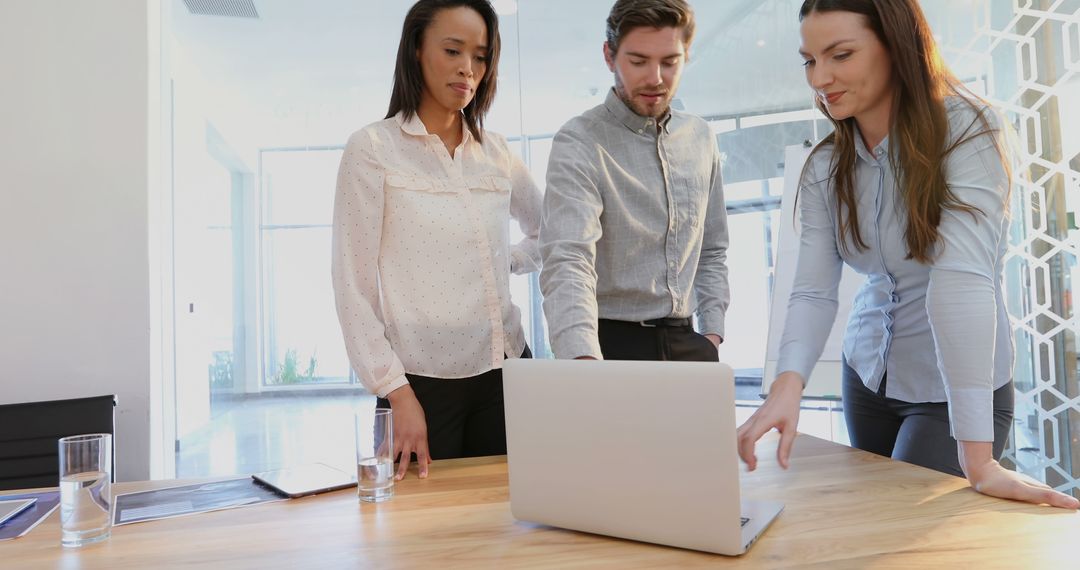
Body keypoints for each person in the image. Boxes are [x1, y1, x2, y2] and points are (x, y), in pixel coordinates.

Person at [737, 0, 1079, 509]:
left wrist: (978, 459)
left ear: (896, 46)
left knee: (909, 541)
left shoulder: (968, 129)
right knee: (874, 526)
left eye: (841, 55)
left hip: (952, 388)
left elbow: (961, 280)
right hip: (868, 376)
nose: (821, 77)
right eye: (810, 60)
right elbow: (812, 289)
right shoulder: (827, 164)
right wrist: (787, 388)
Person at [331, 0, 541, 481]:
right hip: (420, 386)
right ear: (416, 51)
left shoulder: (498, 153)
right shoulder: (372, 150)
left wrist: (502, 261)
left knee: (511, 531)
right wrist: (396, 393)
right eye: (453, 50)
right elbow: (352, 284)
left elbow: (551, 232)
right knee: (422, 540)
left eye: (481, 56)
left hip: (507, 370)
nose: (469, 68)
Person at [539, 0, 729, 363]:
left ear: (686, 55)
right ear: (610, 57)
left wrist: (712, 334)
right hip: (608, 346)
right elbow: (567, 258)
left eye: (670, 62)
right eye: (638, 61)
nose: (655, 78)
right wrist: (581, 360)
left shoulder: (702, 137)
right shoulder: (580, 141)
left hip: (690, 343)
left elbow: (713, 248)